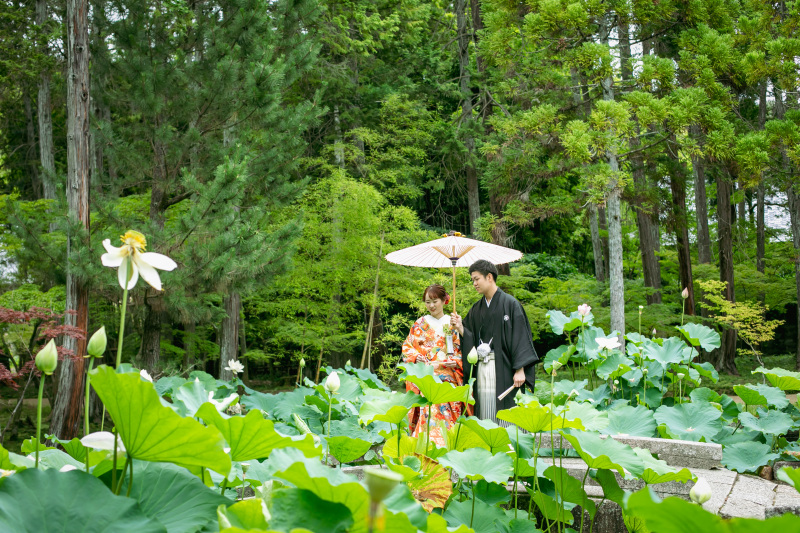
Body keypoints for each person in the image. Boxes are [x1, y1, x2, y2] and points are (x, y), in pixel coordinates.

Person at [451, 259, 538, 424]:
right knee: (484, 407)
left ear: (489, 277)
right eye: (473, 280)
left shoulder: (511, 305)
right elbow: (469, 337)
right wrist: (461, 327)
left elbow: (520, 337)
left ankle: (510, 445)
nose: (474, 283)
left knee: (508, 412)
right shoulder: (476, 309)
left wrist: (520, 369)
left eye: (477, 279)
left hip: (505, 368)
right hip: (482, 368)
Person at [401, 284, 464, 445]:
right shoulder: (419, 324)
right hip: (426, 374)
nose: (431, 305)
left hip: (448, 374)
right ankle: (429, 441)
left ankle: (447, 440)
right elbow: (407, 347)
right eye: (427, 302)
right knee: (429, 395)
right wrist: (416, 357)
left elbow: (461, 351)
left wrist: (455, 361)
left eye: (435, 301)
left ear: (444, 300)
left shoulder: (452, 323)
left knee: (444, 394)